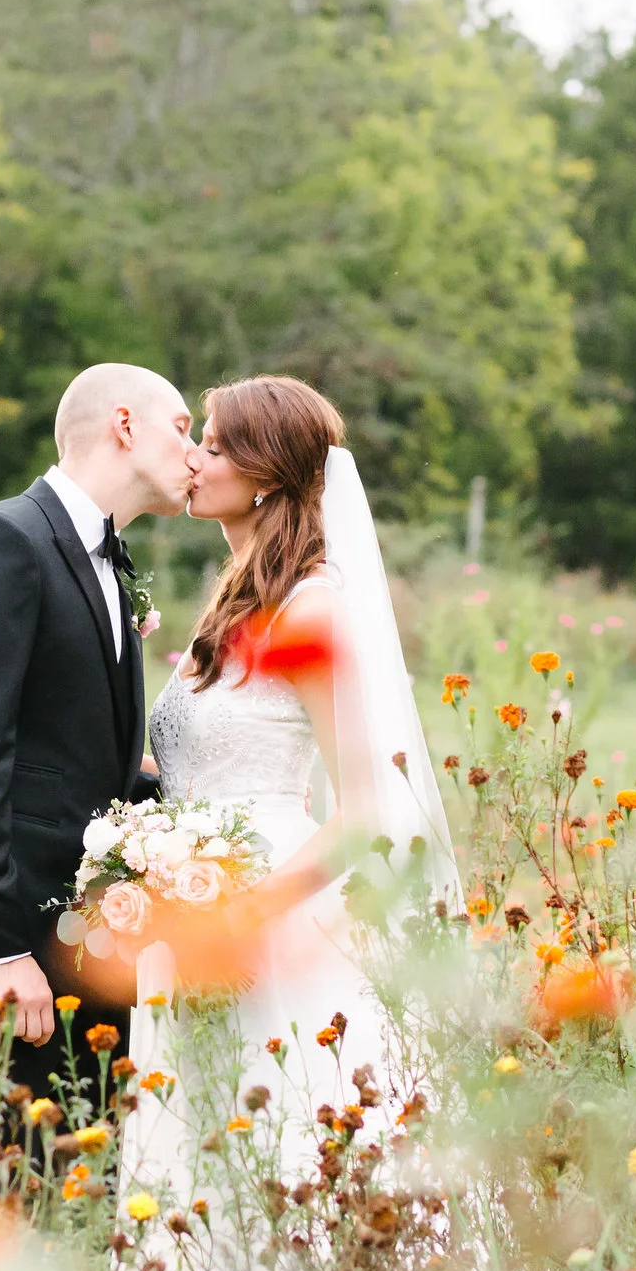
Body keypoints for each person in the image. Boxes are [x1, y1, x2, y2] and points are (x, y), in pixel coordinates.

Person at [125, 373, 462, 1195]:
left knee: (274, 1139)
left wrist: (242, 916)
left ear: (265, 475)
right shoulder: (234, 603)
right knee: (203, 1148)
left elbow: (366, 809)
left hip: (267, 907)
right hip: (191, 903)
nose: (193, 460)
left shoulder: (309, 610)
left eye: (213, 446)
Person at [0, 363, 194, 1097]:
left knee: (78, 1159)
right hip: (5, 951)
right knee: (2, 1165)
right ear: (124, 425)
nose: (196, 452)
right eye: (182, 429)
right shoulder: (0, 542)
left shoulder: (106, 560)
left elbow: (71, 761)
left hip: (78, 941)